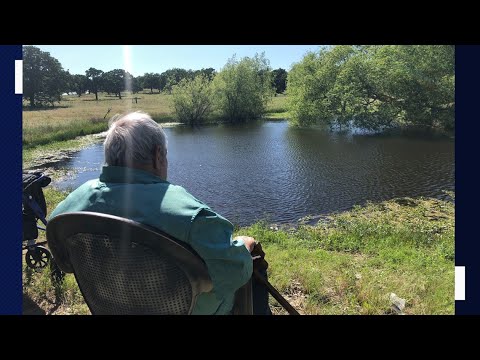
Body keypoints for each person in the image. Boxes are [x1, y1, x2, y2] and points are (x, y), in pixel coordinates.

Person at [50, 111, 271, 315]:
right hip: (189, 310)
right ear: (158, 156)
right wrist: (244, 244)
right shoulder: (191, 216)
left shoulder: (68, 208)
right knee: (252, 264)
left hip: (113, 306)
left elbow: (66, 264)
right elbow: (234, 271)